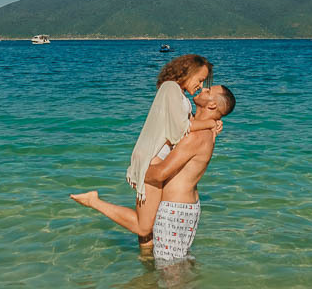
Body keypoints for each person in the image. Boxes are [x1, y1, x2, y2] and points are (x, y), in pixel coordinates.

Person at [71, 83, 236, 262]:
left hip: (175, 210)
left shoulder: (196, 136)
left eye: (208, 91)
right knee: (171, 262)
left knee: (171, 270)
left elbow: (160, 174)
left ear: (212, 105)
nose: (203, 88)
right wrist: (214, 122)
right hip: (180, 207)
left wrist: (138, 173)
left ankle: (93, 201)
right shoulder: (201, 128)